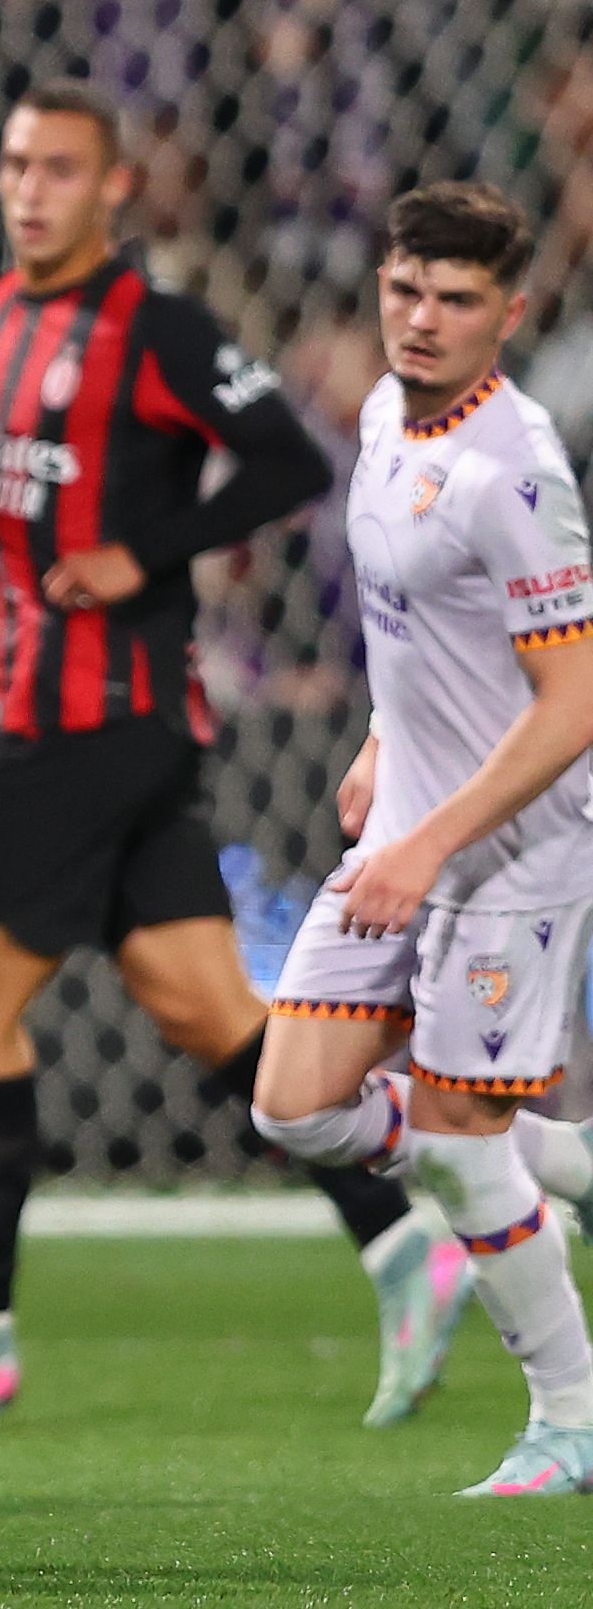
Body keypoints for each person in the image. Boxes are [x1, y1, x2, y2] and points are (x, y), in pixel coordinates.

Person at [0, 82, 458, 1427]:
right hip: (91, 721)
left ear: (113, 189)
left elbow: (283, 458)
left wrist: (148, 553)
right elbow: (29, 507)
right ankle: (409, 1243)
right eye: (15, 163)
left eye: (59, 168)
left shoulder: (154, 327)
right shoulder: (1, 319)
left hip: (91, 725)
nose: (30, 187)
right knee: (212, 1014)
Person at [253, 182, 593, 1496]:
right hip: (409, 819)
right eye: (407, 292)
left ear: (509, 314)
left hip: (516, 849)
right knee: (296, 1104)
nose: (425, 320)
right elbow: (424, 633)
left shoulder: (518, 475)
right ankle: (551, 1161)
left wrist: (427, 838)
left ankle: (567, 1419)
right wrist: (388, 741)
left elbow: (574, 703)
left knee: (455, 1140)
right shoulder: (390, 411)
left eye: (459, 302)